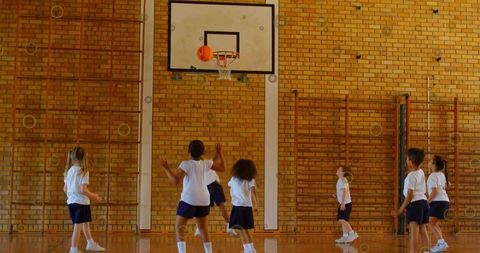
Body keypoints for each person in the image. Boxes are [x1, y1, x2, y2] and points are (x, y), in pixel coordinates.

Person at [161, 140, 226, 253]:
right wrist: (220, 153)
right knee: (203, 228)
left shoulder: (185, 164)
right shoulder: (206, 163)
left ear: (189, 151)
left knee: (179, 227)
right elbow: (223, 168)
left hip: (189, 199)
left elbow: (175, 181)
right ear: (202, 152)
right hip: (204, 199)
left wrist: (166, 168)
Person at [64, 147, 105, 253]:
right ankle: (73, 249)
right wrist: (94, 196)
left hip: (72, 202)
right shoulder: (83, 171)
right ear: (84, 157)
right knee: (78, 226)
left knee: (85, 223)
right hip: (80, 203)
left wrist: (71, 196)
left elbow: (65, 188)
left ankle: (90, 243)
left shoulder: (68, 171)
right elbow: (83, 189)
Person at [392, 148, 430, 253]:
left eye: (407, 159)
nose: (406, 160)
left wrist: (400, 209)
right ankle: (427, 251)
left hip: (415, 204)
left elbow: (409, 195)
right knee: (423, 230)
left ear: (411, 162)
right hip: (424, 202)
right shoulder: (421, 172)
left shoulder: (411, 177)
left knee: (413, 232)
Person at [228, 159, 259, 253]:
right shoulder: (250, 180)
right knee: (245, 230)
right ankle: (250, 249)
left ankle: (248, 250)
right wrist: (256, 204)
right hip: (248, 207)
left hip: (238, 207)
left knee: (242, 230)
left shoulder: (233, 179)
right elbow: (254, 192)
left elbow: (229, 185)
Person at [427, 155, 450, 252]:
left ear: (434, 164)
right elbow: (446, 186)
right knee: (434, 223)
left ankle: (441, 243)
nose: (428, 162)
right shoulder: (441, 175)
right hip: (444, 202)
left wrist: (427, 202)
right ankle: (440, 243)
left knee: (430, 222)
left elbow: (434, 191)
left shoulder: (433, 175)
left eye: (430, 161)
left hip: (438, 202)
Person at [334, 166, 358, 244]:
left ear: (343, 172)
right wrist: (336, 195)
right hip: (344, 203)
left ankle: (352, 233)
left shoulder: (342, 180)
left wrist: (343, 203)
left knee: (342, 220)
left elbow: (345, 191)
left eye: (339, 169)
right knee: (343, 220)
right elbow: (343, 191)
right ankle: (345, 237)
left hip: (346, 204)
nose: (337, 169)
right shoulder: (341, 180)